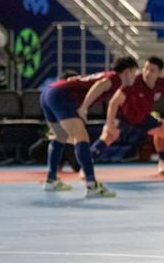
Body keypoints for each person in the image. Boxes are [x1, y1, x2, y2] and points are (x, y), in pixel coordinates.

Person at [40, 56, 139, 197]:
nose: (135, 76)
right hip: (60, 95)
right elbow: (101, 85)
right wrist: (84, 107)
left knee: (61, 136)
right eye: (134, 72)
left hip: (48, 92)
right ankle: (91, 186)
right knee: (81, 137)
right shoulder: (115, 79)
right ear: (127, 71)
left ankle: (50, 180)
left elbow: (73, 80)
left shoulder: (104, 74)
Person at [90, 57, 164, 175]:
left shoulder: (162, 84)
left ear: (159, 73)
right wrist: (109, 123)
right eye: (146, 68)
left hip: (143, 119)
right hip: (124, 119)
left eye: (152, 70)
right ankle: (87, 165)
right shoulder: (133, 82)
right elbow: (114, 102)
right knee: (108, 136)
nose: (147, 72)